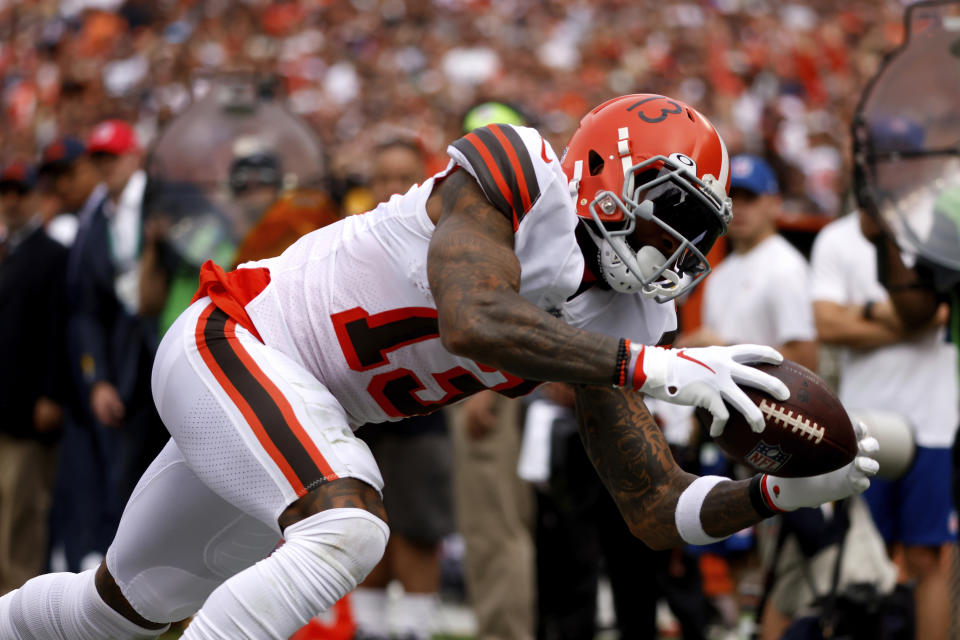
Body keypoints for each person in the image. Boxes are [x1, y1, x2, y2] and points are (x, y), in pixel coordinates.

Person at [0, 93, 879, 640]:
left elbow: (654, 504)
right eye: (671, 212)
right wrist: (653, 366)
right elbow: (473, 318)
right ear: (608, 177)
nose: (682, 248)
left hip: (300, 411)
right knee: (350, 528)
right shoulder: (520, 172)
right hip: (236, 343)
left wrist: (771, 497)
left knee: (115, 611)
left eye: (699, 229)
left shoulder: (622, 311)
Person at [811, 207, 958, 640]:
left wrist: (864, 311)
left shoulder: (938, 224)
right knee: (858, 558)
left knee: (927, 559)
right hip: (861, 425)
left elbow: (941, 315)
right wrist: (901, 321)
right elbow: (825, 324)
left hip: (931, 421)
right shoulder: (835, 237)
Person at [350, 138, 456, 640]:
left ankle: (416, 628)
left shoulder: (444, 239)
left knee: (417, 529)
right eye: (383, 178)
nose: (392, 188)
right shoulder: (349, 237)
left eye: (402, 178)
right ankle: (369, 628)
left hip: (420, 408)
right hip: (356, 411)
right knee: (363, 529)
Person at [447, 100, 538, 640]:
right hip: (491, 379)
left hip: (487, 382)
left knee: (493, 525)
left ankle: (504, 632)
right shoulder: (523, 209)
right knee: (500, 522)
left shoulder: (507, 215)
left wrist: (484, 386)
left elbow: (503, 307)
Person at [0, 160, 69, 594]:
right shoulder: (7, 252)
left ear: (36, 197)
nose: (11, 201)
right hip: (4, 403)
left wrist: (50, 393)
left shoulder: (52, 254)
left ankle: (13, 603)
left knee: (21, 510)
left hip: (26, 408)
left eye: (19, 192)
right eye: (5, 193)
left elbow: (58, 329)